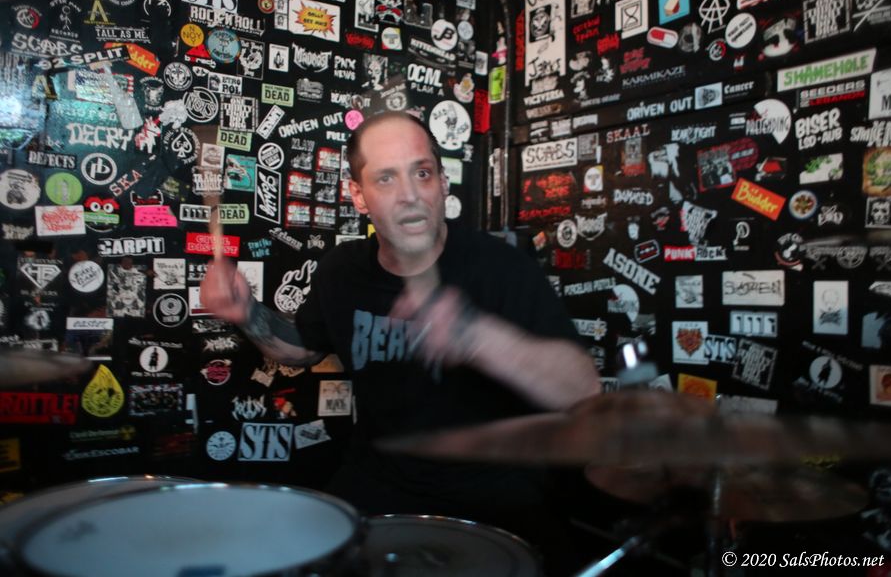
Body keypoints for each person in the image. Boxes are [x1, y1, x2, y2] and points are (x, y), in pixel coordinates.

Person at [200, 111, 599, 574]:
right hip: (379, 480)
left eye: (422, 173)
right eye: (386, 178)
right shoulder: (343, 270)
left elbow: (584, 392)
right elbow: (303, 349)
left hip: (494, 489)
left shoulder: (501, 267)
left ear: (443, 184)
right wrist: (248, 314)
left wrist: (478, 337)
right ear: (358, 195)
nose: (410, 195)